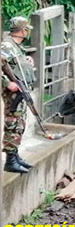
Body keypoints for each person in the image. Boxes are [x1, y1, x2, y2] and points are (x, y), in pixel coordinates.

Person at [2, 16, 36, 174]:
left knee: (19, 123)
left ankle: (15, 156)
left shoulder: (17, 47)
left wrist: (26, 60)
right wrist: (6, 83)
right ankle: (10, 161)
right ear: (23, 30)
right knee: (13, 123)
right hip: (13, 93)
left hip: (20, 92)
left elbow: (15, 65)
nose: (27, 32)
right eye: (26, 29)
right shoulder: (7, 46)